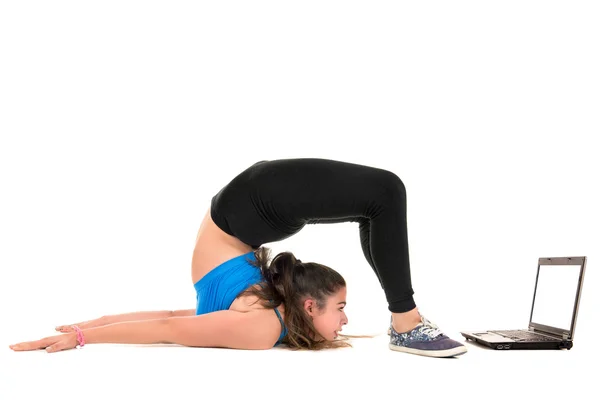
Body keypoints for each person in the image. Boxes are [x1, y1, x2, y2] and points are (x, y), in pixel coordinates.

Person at [9, 158, 467, 357]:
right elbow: (171, 316)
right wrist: (89, 327)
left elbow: (170, 324)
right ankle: (405, 323)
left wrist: (87, 334)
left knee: (385, 193)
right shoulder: (263, 319)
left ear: (309, 305)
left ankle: (406, 323)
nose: (345, 320)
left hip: (252, 205)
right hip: (248, 209)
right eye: (342, 309)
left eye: (341, 307)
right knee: (379, 199)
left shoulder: (260, 326)